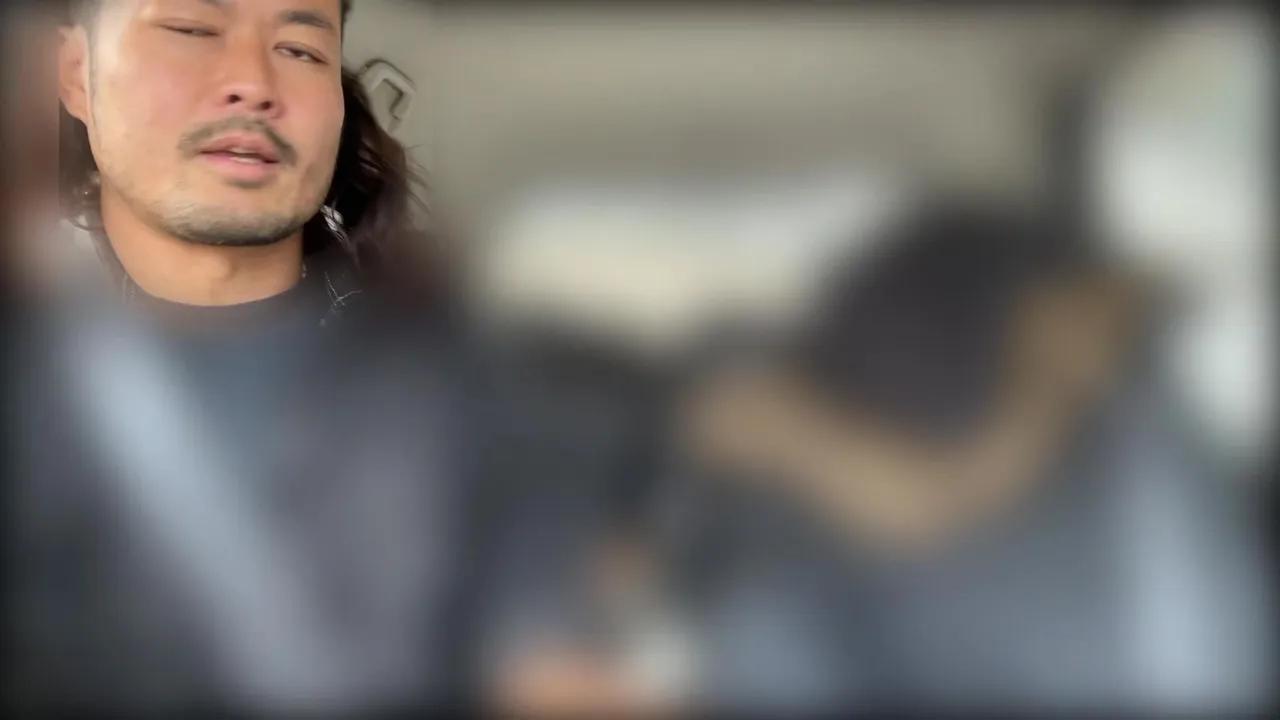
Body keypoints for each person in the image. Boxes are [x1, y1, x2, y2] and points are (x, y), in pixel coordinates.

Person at [6, 0, 491, 711]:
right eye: (192, 30)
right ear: (75, 73)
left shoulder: (467, 408)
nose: (253, 83)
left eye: (300, 51)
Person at [662, 203, 1275, 711]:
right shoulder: (762, 394)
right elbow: (914, 506)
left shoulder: (1131, 447)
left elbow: (1146, 284)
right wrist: (1023, 417)